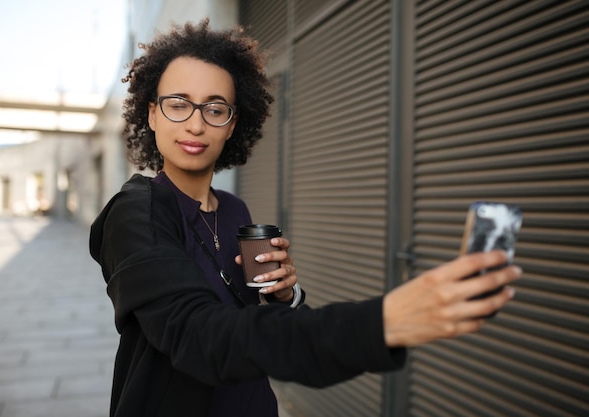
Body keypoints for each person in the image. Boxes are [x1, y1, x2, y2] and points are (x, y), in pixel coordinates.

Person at [89, 19, 522, 417]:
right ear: (150, 112)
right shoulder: (135, 214)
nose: (196, 124)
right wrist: (384, 322)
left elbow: (256, 326)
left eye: (215, 108)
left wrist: (285, 296)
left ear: (233, 123)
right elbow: (200, 336)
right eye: (178, 104)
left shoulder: (235, 210)